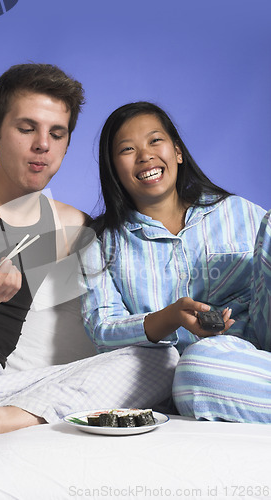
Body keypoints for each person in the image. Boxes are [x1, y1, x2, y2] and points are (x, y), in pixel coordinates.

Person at [0, 69, 179, 498]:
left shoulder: (73, 227)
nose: (42, 146)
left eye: (57, 133)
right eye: (26, 128)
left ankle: (12, 417)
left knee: (160, 361)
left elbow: (130, 291)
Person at [80, 100, 271, 424]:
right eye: (127, 149)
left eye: (155, 141)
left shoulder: (238, 212)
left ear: (178, 152)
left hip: (264, 340)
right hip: (211, 371)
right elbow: (102, 329)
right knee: (198, 367)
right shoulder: (98, 244)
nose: (145, 156)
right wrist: (170, 318)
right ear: (113, 168)